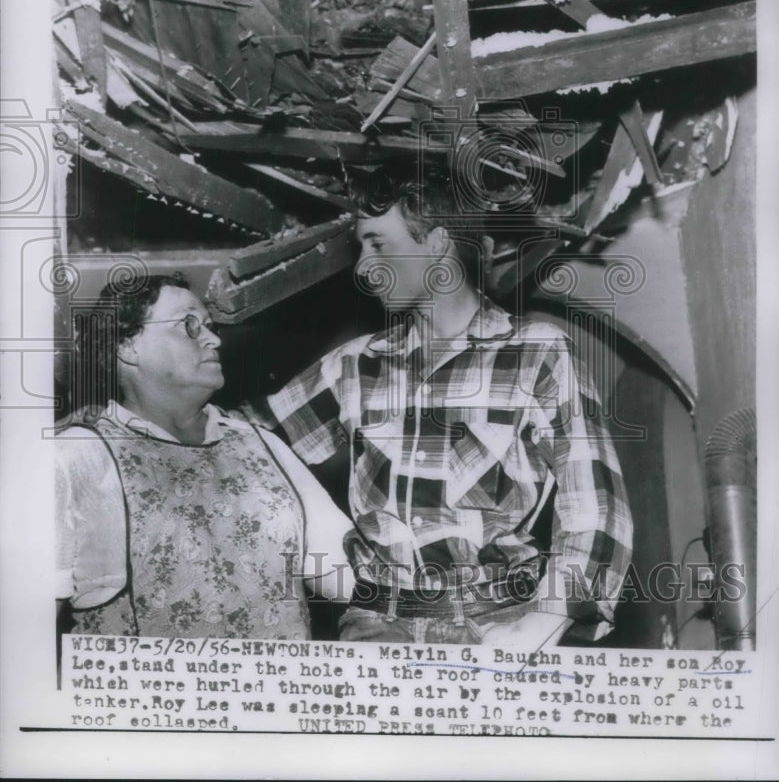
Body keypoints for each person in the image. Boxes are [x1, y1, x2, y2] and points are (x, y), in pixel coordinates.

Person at [263, 159, 633, 647]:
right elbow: (251, 445)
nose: (362, 267)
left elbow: (597, 507)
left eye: (377, 244)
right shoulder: (353, 365)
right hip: (375, 626)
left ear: (436, 244)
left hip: (498, 623)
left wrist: (542, 623)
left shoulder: (538, 354)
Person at [56, 272, 353, 639]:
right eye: (189, 325)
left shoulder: (263, 446)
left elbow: (345, 574)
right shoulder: (78, 456)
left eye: (210, 327)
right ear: (127, 346)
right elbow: (25, 620)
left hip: (275, 691)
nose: (213, 338)